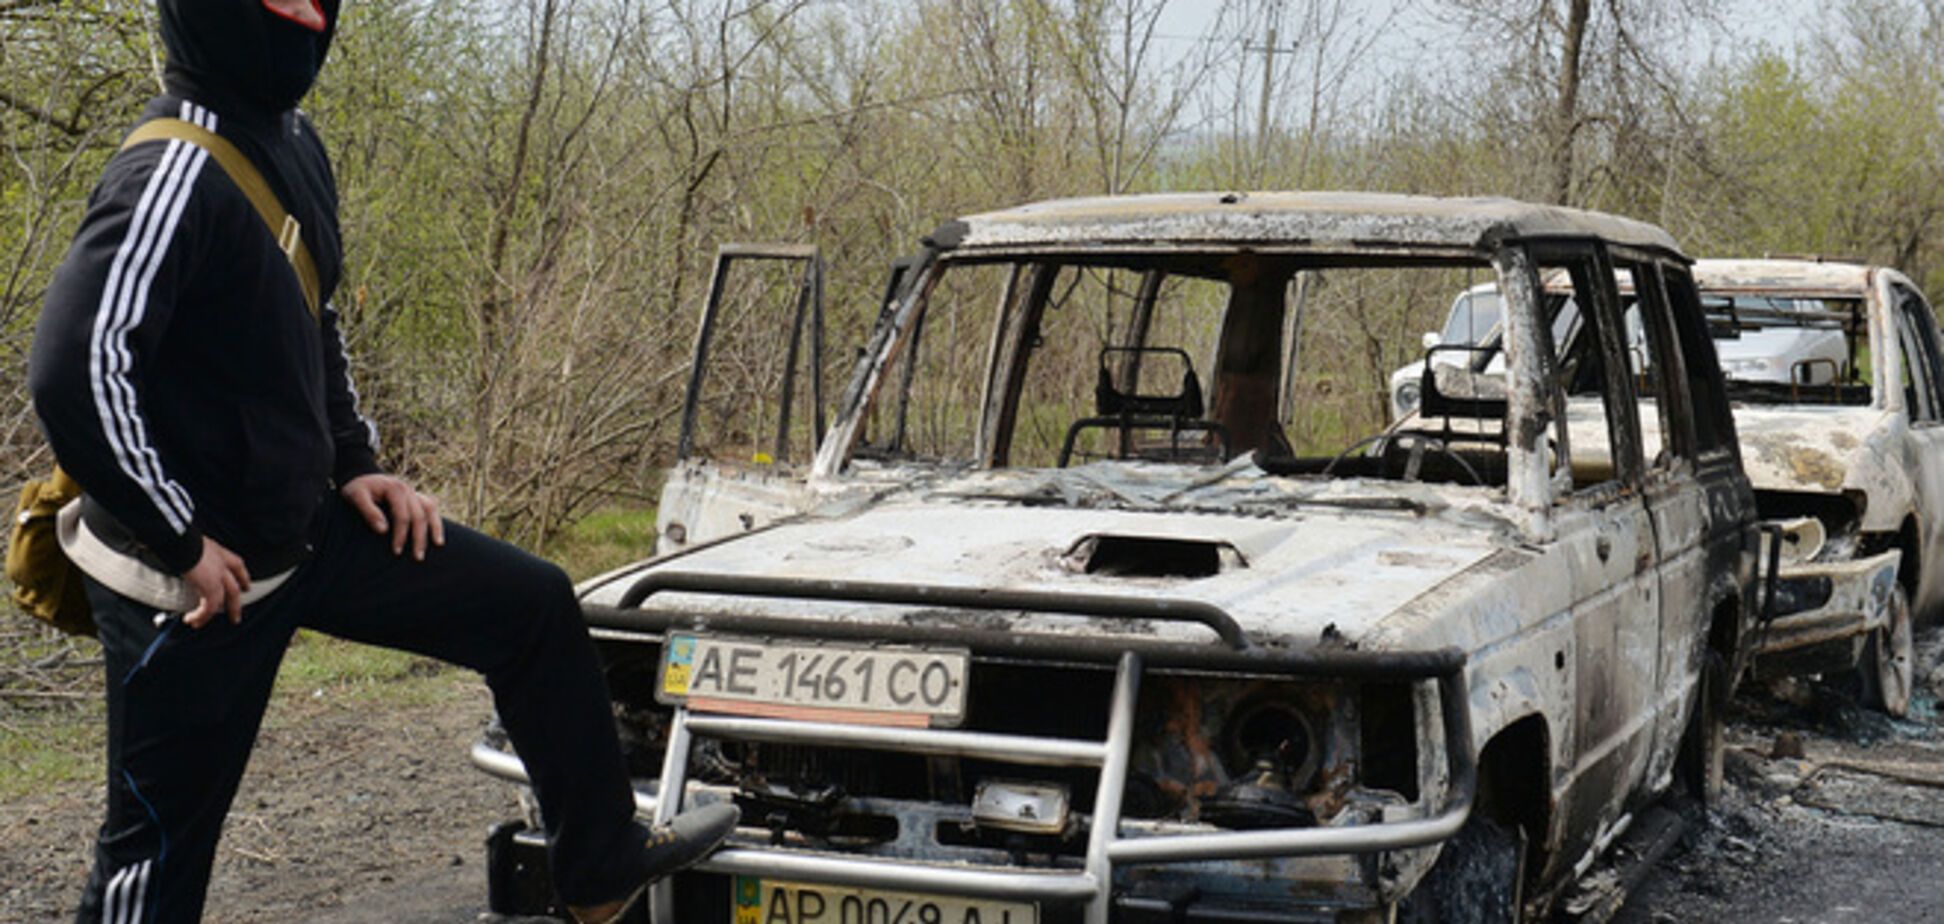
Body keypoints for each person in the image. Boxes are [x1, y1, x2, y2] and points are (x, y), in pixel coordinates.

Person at [27, 2, 737, 922]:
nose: (306, 18)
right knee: (152, 869)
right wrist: (179, 538)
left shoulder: (294, 144)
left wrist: (358, 462)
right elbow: (75, 369)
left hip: (308, 532)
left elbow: (312, 321)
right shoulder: (169, 168)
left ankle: (600, 864)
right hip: (198, 590)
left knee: (531, 607)